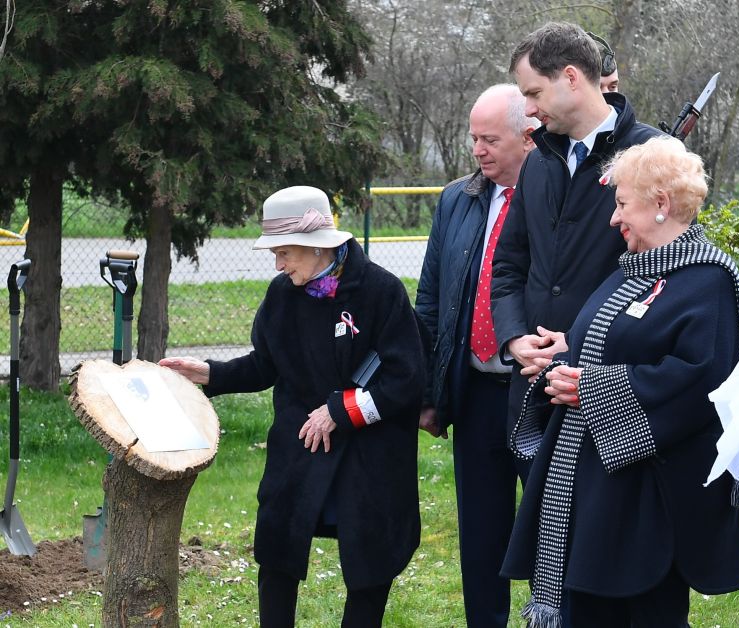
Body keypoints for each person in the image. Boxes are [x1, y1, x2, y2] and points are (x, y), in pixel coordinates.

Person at [501, 136, 739, 627]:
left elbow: (702, 381)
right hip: (594, 494)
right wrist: (566, 350)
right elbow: (612, 341)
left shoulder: (708, 279)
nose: (614, 218)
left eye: (620, 204)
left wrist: (591, 388)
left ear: (661, 204)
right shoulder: (634, 270)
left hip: (646, 509)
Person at [159, 186, 423, 627]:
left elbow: (406, 379)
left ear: (316, 245)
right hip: (300, 448)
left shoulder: (380, 291)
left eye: (285, 253)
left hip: (370, 458)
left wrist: (338, 412)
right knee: (277, 553)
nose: (279, 265)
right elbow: (265, 364)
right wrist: (209, 373)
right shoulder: (282, 294)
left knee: (370, 564)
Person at [492, 21, 661, 430]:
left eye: (534, 93)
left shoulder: (653, 154)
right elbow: (509, 265)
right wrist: (516, 339)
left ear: (570, 78)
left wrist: (580, 342)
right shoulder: (537, 161)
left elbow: (665, 283)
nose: (528, 109)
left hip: (604, 395)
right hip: (533, 390)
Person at [414, 84, 538, 627]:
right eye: (473, 139)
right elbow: (430, 302)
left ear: (527, 136)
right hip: (474, 396)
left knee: (547, 533)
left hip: (537, 397)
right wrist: (429, 394)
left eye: (490, 139)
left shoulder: (556, 202)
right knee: (481, 541)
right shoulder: (456, 200)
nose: (479, 151)